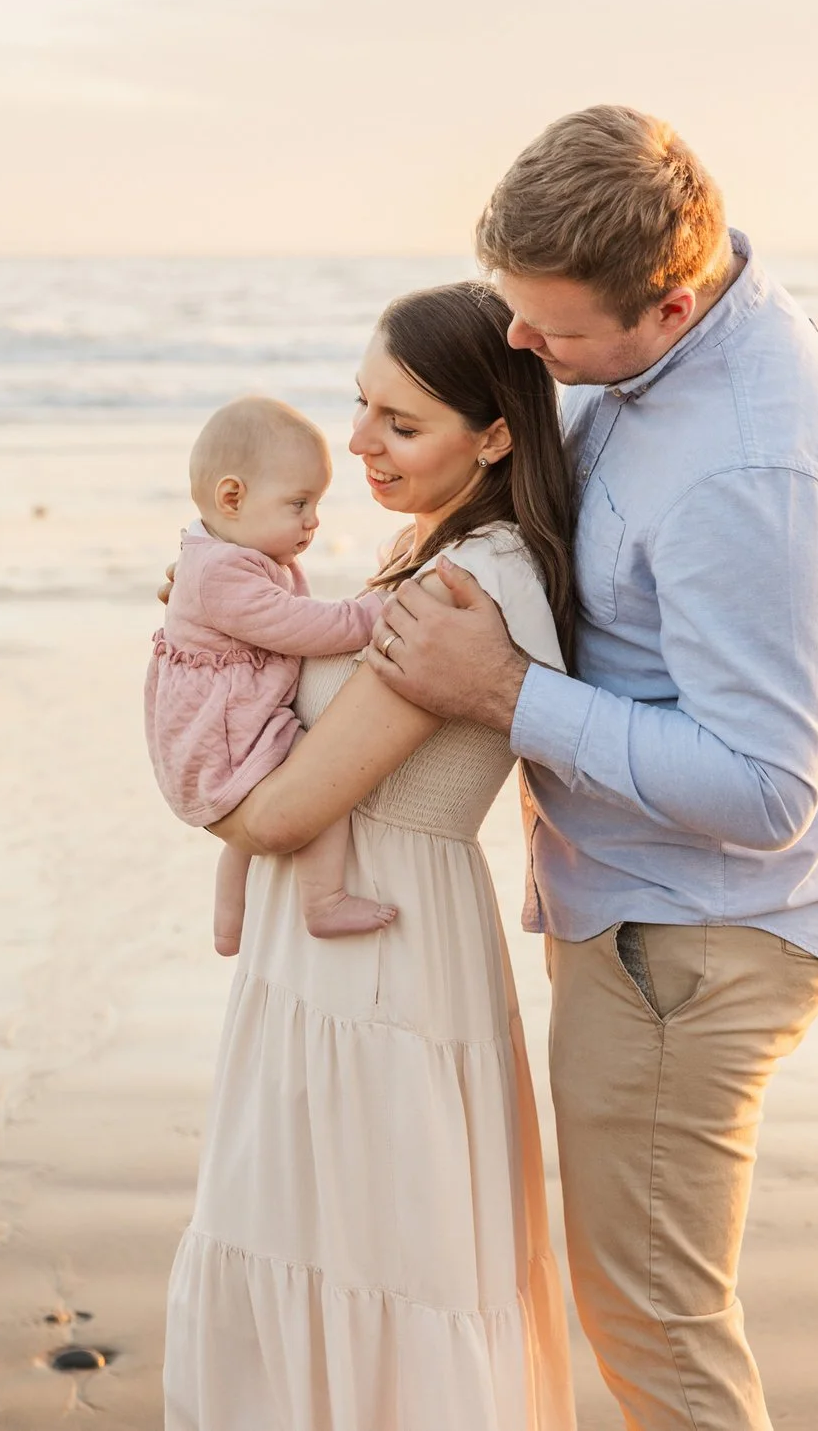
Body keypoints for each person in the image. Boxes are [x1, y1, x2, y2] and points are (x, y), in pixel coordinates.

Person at [365, 107, 818, 1431]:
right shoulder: (680, 355)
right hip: (643, 915)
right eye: (512, 308)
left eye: (554, 329)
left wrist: (507, 695)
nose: (524, 347)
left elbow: (767, 786)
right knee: (643, 1308)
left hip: (693, 941)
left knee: (655, 1331)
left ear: (670, 300)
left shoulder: (739, 463)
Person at [162, 282, 581, 1430]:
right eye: (362, 407)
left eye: (401, 425)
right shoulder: (428, 545)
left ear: (494, 436)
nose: (358, 444)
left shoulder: (465, 582)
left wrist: (202, 793)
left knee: (375, 1259)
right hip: (349, 948)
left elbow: (292, 812)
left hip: (383, 950)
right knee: (325, 1238)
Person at [145, 395, 396, 957]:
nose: (312, 522)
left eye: (316, 505)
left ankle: (227, 929)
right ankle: (324, 901)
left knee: (243, 826)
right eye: (299, 503)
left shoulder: (223, 554)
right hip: (225, 736)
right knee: (315, 780)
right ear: (232, 497)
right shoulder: (223, 573)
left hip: (222, 734)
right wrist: (369, 614)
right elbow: (296, 625)